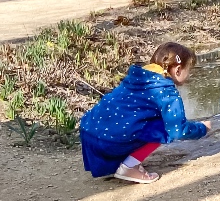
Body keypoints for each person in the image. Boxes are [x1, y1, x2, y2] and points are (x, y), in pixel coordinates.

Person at [79, 42, 210, 184]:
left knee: (137, 119)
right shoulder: (166, 91)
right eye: (188, 70)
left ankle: (123, 160)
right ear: (178, 70)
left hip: (89, 134)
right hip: (108, 142)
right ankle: (129, 166)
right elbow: (177, 130)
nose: (189, 75)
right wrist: (201, 128)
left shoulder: (137, 77)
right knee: (166, 126)